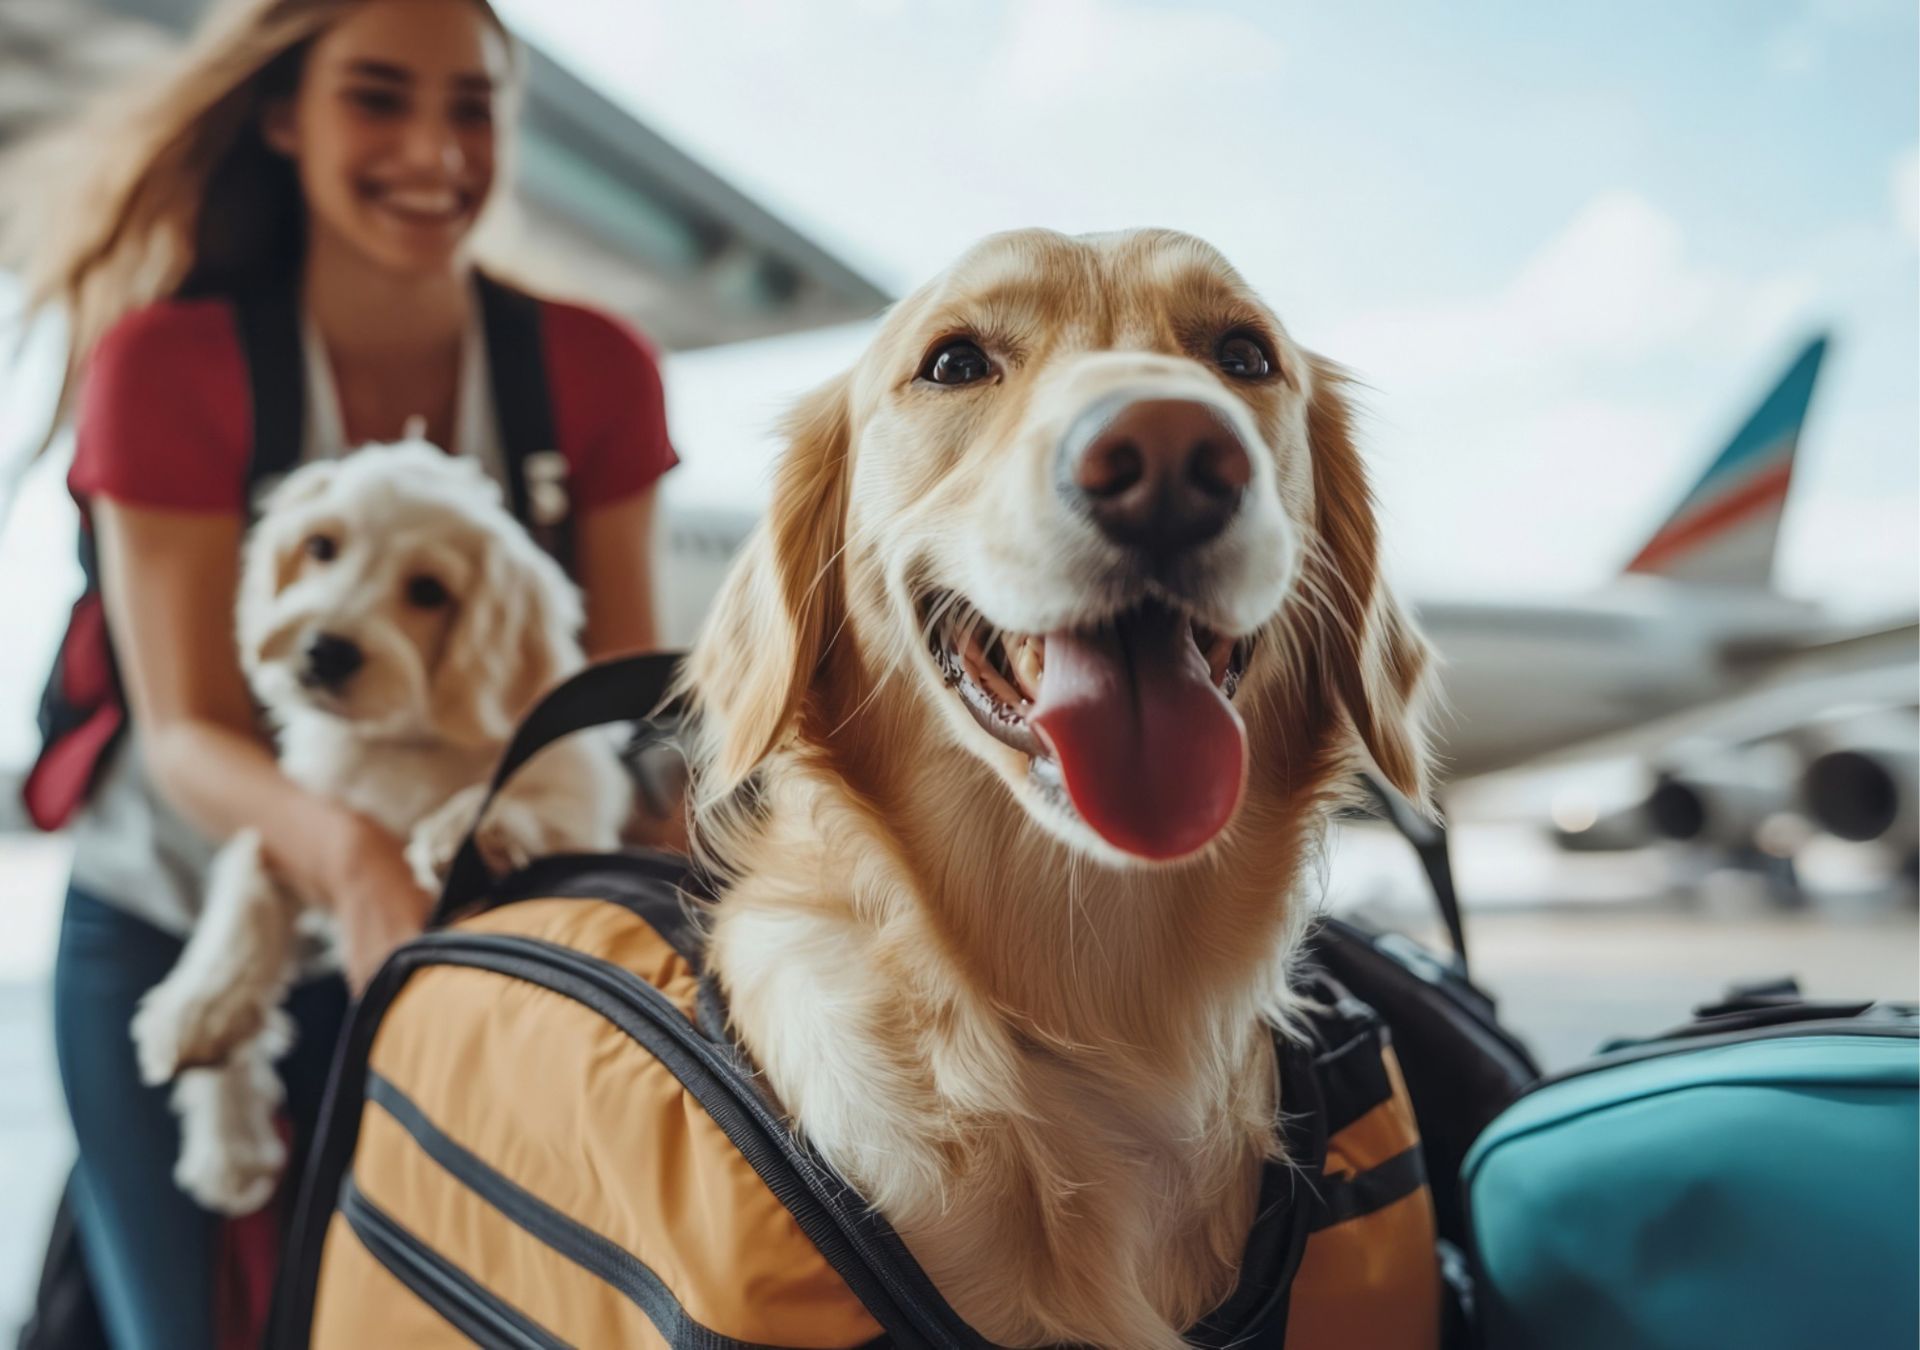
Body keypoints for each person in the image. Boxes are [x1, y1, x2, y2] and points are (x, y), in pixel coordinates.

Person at [2, 1, 675, 1345]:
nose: (434, 149)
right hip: (177, 908)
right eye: (377, 97)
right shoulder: (169, 365)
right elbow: (188, 727)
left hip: (471, 929)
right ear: (281, 117)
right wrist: (358, 861)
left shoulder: (591, 370)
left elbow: (616, 692)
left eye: (472, 107)